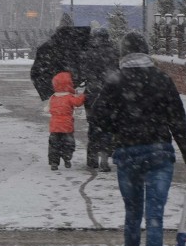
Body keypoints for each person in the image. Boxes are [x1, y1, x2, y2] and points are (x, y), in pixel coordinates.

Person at [91, 31, 186, 246]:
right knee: (155, 217)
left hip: (128, 154)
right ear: (147, 52)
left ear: (123, 54)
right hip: (160, 154)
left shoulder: (115, 81)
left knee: (132, 213)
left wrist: (115, 132)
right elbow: (178, 121)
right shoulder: (162, 79)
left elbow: (98, 117)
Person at [81, 28, 119, 171]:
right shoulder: (114, 51)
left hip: (92, 95)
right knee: (107, 128)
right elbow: (117, 71)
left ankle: (92, 159)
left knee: (93, 126)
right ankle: (105, 157)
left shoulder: (89, 52)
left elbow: (83, 72)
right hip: (109, 95)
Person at [30, 13, 91, 100]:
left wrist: (47, 91)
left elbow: (36, 72)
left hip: (57, 83)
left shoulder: (50, 46)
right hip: (72, 81)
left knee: (60, 108)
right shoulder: (79, 41)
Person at [47, 71, 85, 170]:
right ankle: (67, 159)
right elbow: (78, 103)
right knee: (68, 144)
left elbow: (50, 109)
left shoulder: (53, 97)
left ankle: (54, 162)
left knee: (54, 145)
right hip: (66, 126)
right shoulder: (69, 97)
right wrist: (82, 95)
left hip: (54, 126)